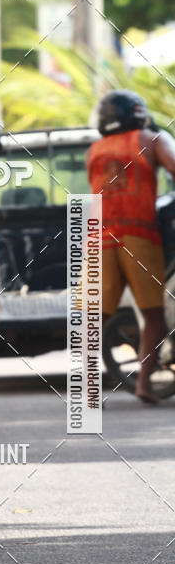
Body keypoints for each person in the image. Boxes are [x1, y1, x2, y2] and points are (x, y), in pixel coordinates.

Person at [87, 89, 175, 403]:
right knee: (153, 314)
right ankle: (143, 385)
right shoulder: (151, 140)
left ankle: (89, 393)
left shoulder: (94, 150)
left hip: (99, 237)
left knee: (95, 315)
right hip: (139, 235)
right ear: (138, 113)